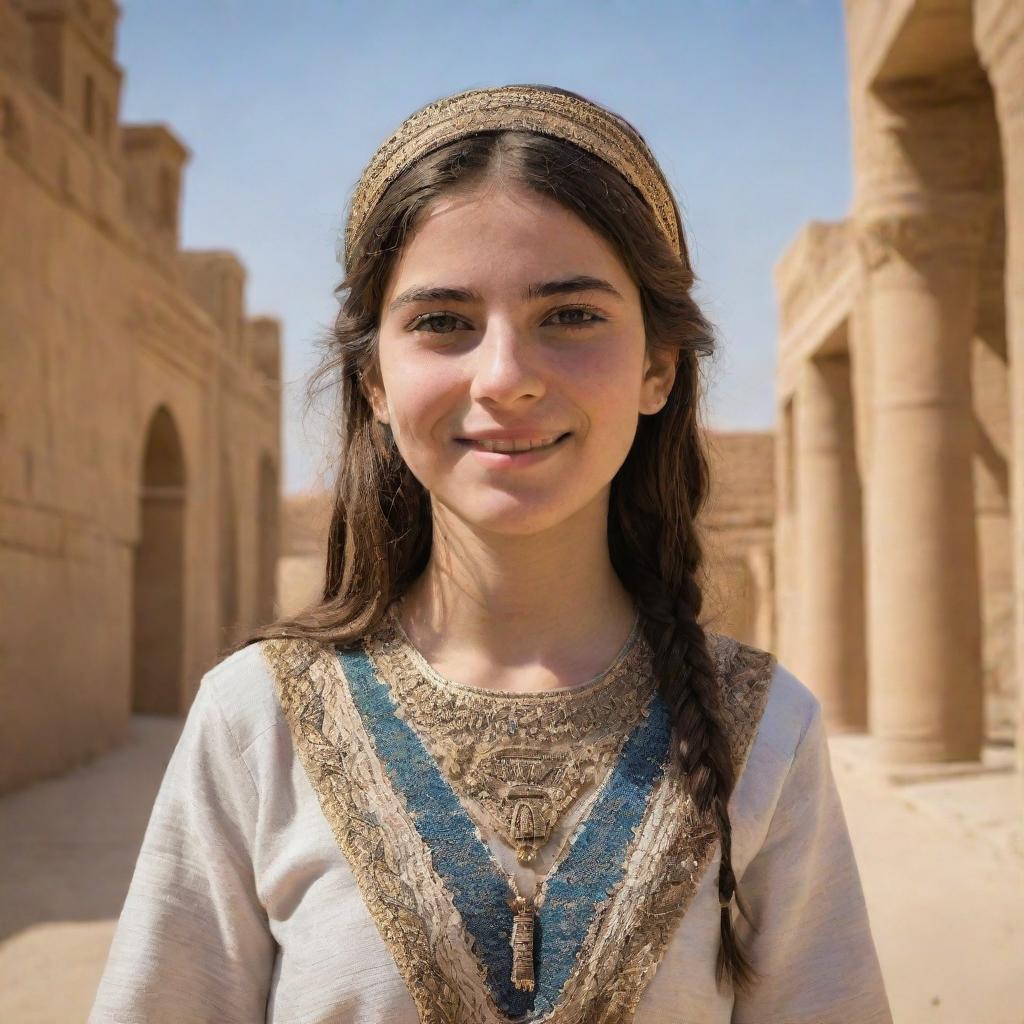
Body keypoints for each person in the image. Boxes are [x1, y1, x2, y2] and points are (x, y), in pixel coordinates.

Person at [89, 84, 893, 1023]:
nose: (505, 377)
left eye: (571, 316)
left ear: (658, 367)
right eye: (442, 323)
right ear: (374, 381)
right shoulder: (255, 722)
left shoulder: (763, 732)